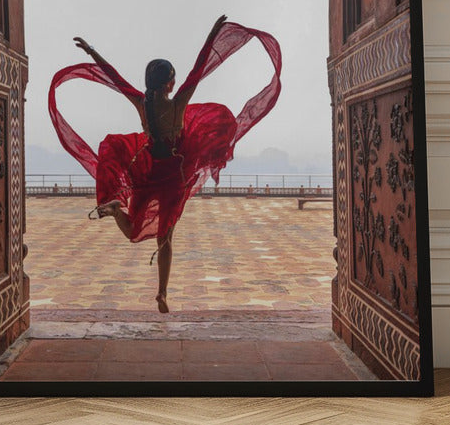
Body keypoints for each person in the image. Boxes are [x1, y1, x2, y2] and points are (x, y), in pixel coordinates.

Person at [48, 16, 281, 313]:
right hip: (173, 177)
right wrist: (212, 34)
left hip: (147, 170)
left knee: (133, 230)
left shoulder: (141, 103)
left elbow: (114, 78)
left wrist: (92, 51)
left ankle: (115, 207)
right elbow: (199, 69)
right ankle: (161, 292)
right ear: (170, 83)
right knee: (165, 239)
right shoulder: (177, 104)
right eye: (174, 77)